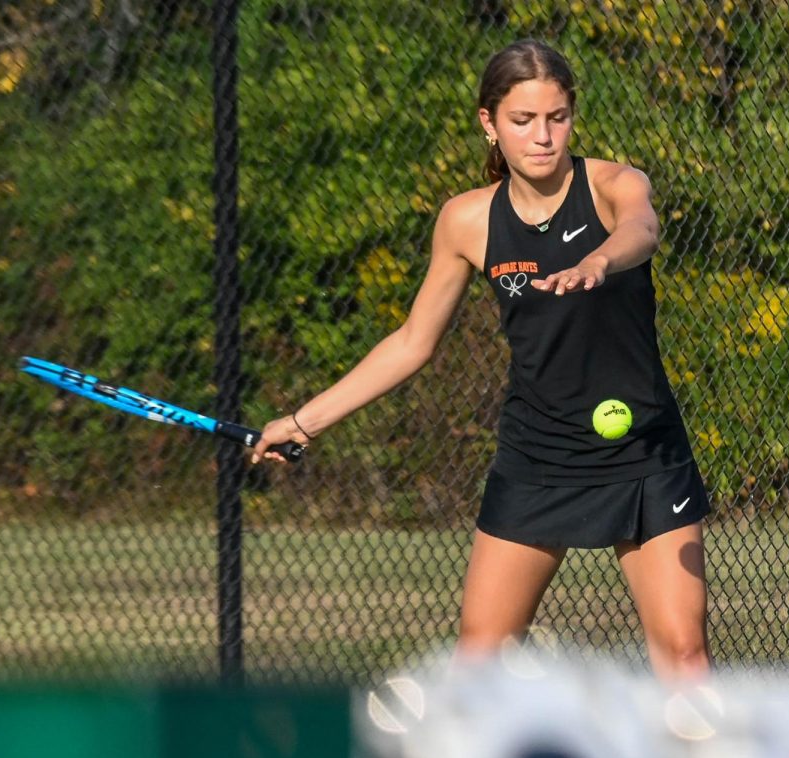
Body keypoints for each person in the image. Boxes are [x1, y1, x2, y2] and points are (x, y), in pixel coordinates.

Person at [251, 39, 712, 681]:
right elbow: (413, 342)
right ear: (489, 123)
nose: (543, 137)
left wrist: (600, 260)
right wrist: (304, 422)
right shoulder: (466, 220)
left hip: (643, 453)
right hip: (538, 453)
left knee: (684, 652)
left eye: (557, 117)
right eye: (523, 121)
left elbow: (643, 229)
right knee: (478, 664)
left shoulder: (612, 185)